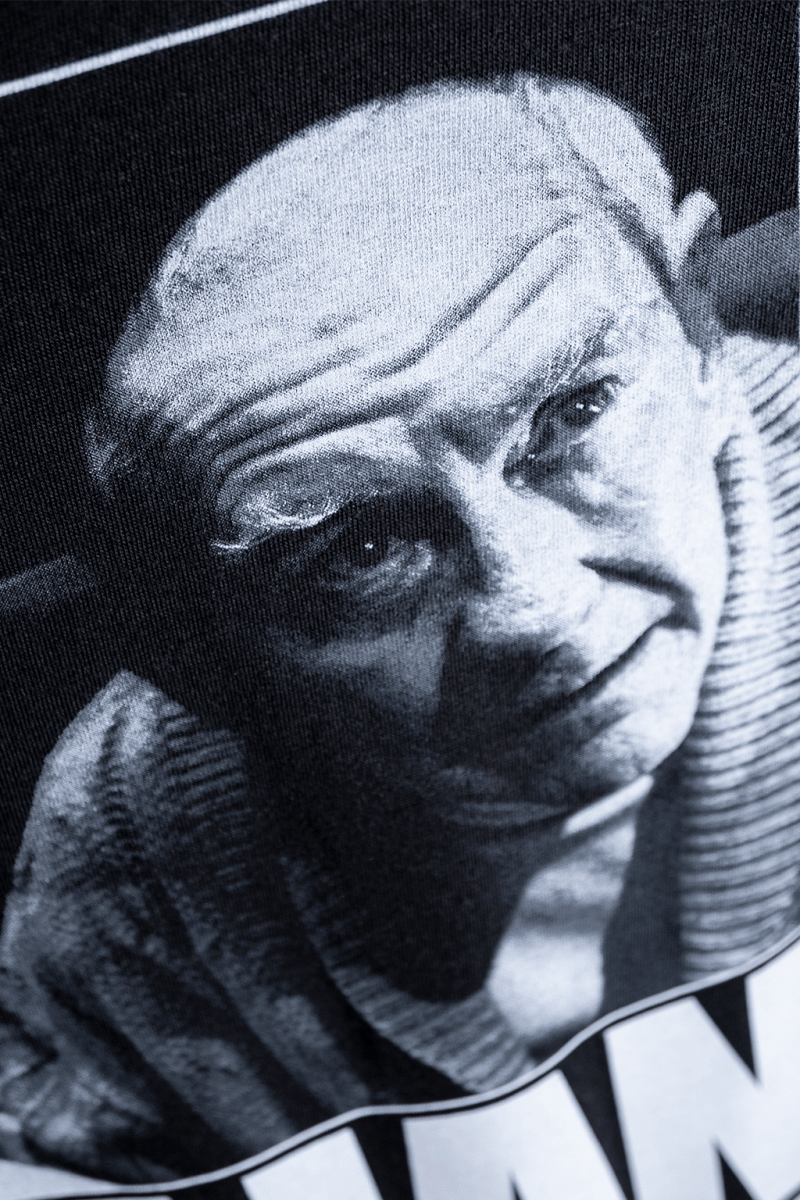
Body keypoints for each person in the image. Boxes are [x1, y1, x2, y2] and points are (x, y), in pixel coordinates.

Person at [0, 74, 796, 1184]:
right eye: (361, 548)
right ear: (192, 658)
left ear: (694, 320)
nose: (531, 607)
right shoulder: (133, 836)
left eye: (572, 413)